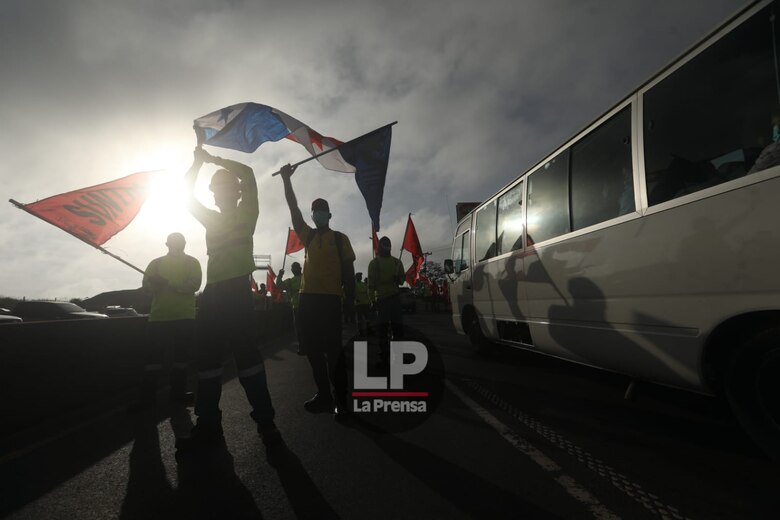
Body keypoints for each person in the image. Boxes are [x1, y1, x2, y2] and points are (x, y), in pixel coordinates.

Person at [177, 147, 280, 449]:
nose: (222, 194)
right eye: (218, 190)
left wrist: (214, 160)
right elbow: (185, 194)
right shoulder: (210, 219)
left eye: (227, 189)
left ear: (235, 193)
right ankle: (208, 424)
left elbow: (247, 174)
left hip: (236, 292)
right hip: (212, 295)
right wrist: (195, 164)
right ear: (215, 196)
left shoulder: (248, 213)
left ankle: (266, 422)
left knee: (248, 360)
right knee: (207, 362)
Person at [279, 163, 355, 421]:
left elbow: (348, 272)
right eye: (315, 210)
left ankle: (341, 401)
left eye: (322, 210)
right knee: (312, 351)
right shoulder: (308, 236)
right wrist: (286, 180)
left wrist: (351, 302)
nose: (318, 213)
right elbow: (293, 208)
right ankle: (324, 395)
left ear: (329, 215)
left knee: (333, 351)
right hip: (307, 301)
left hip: (331, 300)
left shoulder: (340, 238)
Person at [129, 232, 202, 411]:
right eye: (174, 241)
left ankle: (177, 395)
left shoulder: (192, 262)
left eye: (181, 241)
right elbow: (146, 287)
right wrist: (154, 285)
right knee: (152, 360)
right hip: (159, 317)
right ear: (167, 244)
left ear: (185, 243)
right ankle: (148, 399)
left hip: (183, 317)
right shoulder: (155, 263)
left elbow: (194, 285)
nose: (178, 243)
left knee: (181, 359)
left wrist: (167, 283)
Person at [367, 237, 405, 365]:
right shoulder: (374, 263)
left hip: (395, 299)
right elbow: (370, 286)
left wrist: (398, 278)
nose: (387, 247)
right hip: (381, 301)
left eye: (388, 244)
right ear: (380, 246)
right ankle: (384, 356)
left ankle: (398, 355)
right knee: (383, 330)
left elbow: (401, 281)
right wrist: (372, 301)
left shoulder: (397, 262)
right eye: (384, 244)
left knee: (397, 329)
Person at [276, 262, 305, 355]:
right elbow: (280, 286)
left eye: (294, 268)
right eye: (293, 268)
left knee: (300, 328)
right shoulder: (305, 278)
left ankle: (303, 347)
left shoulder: (290, 281)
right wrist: (279, 276)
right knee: (304, 328)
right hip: (303, 306)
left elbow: (279, 286)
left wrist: (280, 276)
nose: (294, 269)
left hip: (298, 307)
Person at [354, 272, 371, 337]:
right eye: (359, 276)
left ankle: (368, 330)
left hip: (366, 303)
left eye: (361, 276)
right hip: (359, 304)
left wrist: (369, 301)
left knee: (367, 319)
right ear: (356, 277)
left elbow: (368, 293)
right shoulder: (354, 285)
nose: (360, 277)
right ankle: (360, 332)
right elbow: (353, 293)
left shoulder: (364, 284)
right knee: (359, 319)